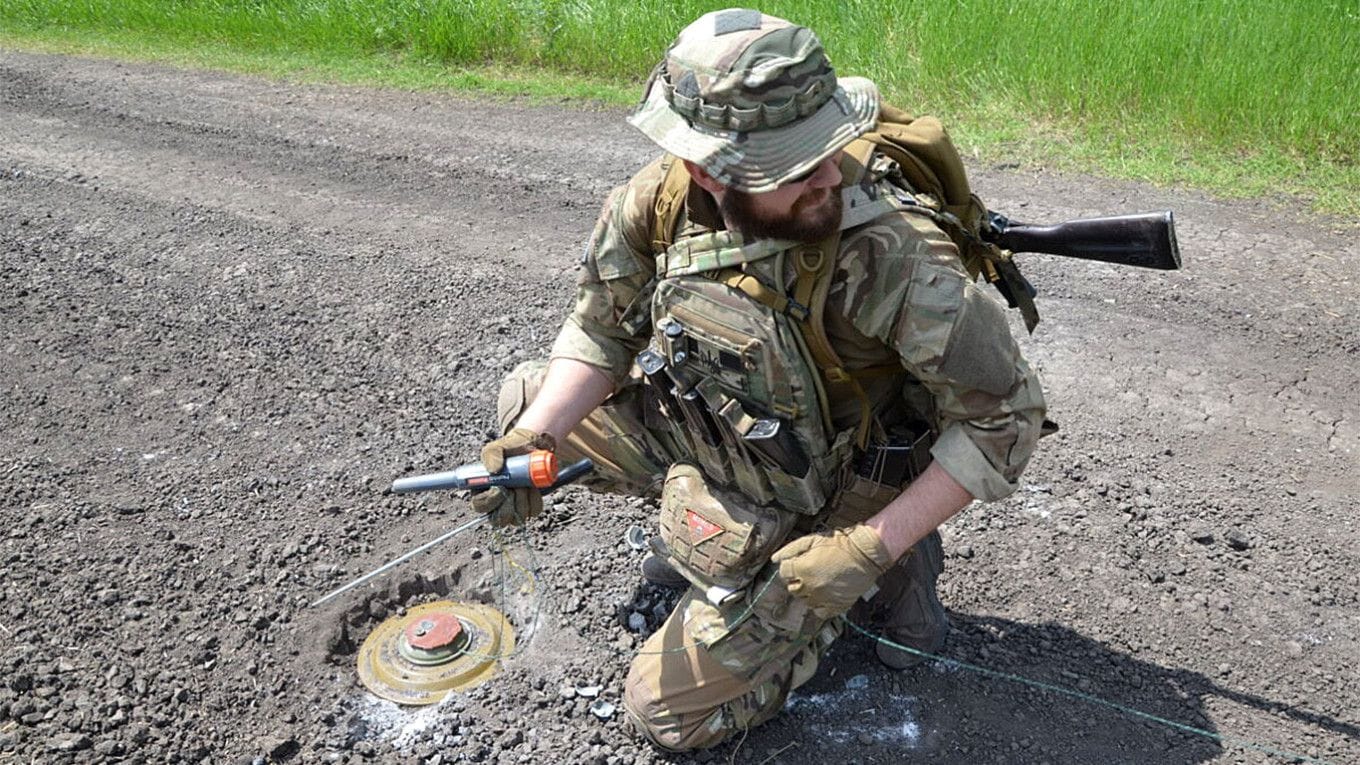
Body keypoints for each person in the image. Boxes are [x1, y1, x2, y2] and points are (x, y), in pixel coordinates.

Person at [471, 8, 1047, 752]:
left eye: (828, 150)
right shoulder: (659, 203)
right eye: (792, 168)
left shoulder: (896, 262)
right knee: (526, 400)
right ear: (707, 169)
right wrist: (536, 436)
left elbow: (1005, 418)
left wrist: (867, 547)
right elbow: (601, 330)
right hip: (733, 426)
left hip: (850, 471)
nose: (826, 180)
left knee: (666, 713)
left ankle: (891, 568)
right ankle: (732, 531)